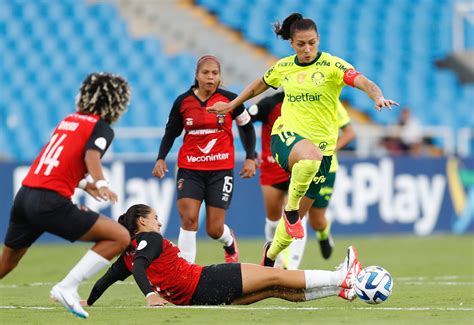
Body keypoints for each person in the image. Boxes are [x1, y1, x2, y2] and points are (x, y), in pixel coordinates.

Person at [208, 13, 398, 267]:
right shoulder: (284, 67)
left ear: (318, 39)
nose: (307, 49)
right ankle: (291, 211)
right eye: (301, 44)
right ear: (292, 44)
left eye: (311, 43)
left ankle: (271, 254)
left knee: (296, 222)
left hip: (323, 154)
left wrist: (377, 95)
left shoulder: (332, 66)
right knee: (308, 164)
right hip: (285, 137)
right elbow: (257, 86)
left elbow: (363, 81)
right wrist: (232, 104)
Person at [0, 73, 132, 318]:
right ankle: (67, 287)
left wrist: (83, 183)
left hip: (25, 196)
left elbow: (55, 160)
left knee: (6, 264)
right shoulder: (101, 127)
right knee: (120, 237)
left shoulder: (69, 120)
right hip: (49, 201)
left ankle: (66, 287)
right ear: (115, 101)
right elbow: (91, 156)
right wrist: (100, 182)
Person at [83, 204, 362, 307]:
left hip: (198, 297)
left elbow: (105, 280)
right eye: (154, 218)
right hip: (207, 281)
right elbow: (142, 268)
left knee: (276, 290)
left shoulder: (128, 256)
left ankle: (340, 290)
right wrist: (151, 295)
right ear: (142, 222)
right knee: (278, 274)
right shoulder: (149, 241)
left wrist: (88, 301)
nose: (158, 222)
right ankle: (342, 276)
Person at [152, 55, 256, 264]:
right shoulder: (183, 102)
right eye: (205, 73)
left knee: (214, 229)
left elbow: (247, 127)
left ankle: (229, 242)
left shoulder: (231, 100)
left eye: (215, 73)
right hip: (190, 168)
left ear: (220, 77)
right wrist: (161, 158)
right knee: (189, 218)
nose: (210, 77)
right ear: (196, 75)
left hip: (221, 170)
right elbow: (171, 132)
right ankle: (185, 272)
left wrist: (250, 157)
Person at [247, 94, 355, 268]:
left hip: (326, 166)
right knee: (295, 213)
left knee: (317, 221)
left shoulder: (329, 99)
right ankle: (289, 266)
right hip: (299, 163)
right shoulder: (293, 102)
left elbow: (349, 132)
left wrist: (328, 150)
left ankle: (323, 233)